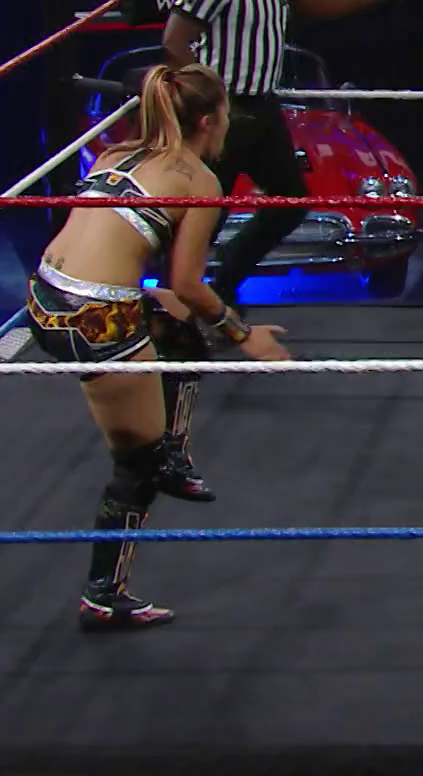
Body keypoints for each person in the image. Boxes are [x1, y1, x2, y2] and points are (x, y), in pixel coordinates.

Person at [26, 64, 291, 631]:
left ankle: (173, 451)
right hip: (95, 317)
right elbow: (191, 283)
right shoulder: (200, 181)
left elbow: (172, 292)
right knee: (134, 466)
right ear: (208, 121)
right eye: (226, 115)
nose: (229, 126)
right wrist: (245, 336)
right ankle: (104, 595)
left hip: (44, 293)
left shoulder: (116, 153)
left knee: (179, 324)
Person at [161, 0, 407, 307]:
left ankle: (221, 290)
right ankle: (179, 310)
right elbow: (174, 41)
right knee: (206, 215)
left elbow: (311, 4)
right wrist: (207, 104)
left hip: (263, 106)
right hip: (224, 112)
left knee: (290, 202)